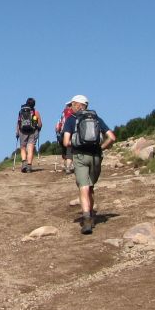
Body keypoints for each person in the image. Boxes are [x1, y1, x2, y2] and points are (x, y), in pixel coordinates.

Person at [62, 94, 116, 234]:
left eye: (72, 104)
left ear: (76, 105)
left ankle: (86, 220)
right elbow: (112, 137)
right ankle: (91, 216)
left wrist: (77, 144)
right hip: (96, 156)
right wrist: (101, 147)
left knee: (83, 188)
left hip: (80, 156)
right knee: (90, 187)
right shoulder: (96, 118)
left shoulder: (70, 120)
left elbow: (66, 142)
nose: (70, 107)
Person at [15, 98, 41, 173]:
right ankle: (29, 166)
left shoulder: (21, 111)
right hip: (32, 131)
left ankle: (24, 164)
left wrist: (17, 132)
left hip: (22, 131)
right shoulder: (36, 112)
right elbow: (40, 124)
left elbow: (19, 122)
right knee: (30, 148)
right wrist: (39, 128)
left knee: (23, 147)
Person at [54, 102, 74, 174]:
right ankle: (68, 167)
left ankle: (66, 165)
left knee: (64, 150)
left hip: (62, 133)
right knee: (69, 150)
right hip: (70, 133)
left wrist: (58, 131)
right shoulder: (73, 113)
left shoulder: (63, 113)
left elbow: (59, 124)